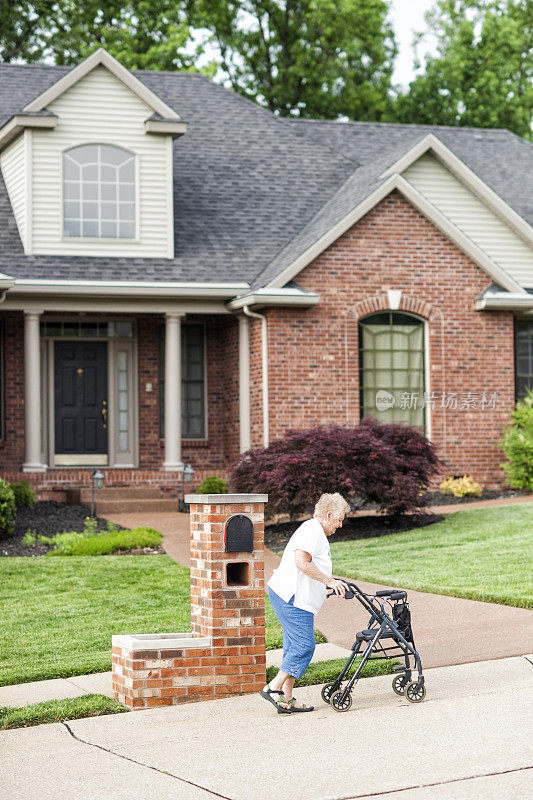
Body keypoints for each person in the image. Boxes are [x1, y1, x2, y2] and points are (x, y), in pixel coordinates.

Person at [260, 492, 350, 714]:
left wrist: (327, 585)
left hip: (294, 598)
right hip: (292, 598)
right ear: (329, 515)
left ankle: (287, 698)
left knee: (293, 646)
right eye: (339, 520)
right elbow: (301, 562)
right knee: (304, 645)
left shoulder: (315, 531)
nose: (340, 525)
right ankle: (273, 688)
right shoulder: (313, 532)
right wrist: (329, 581)